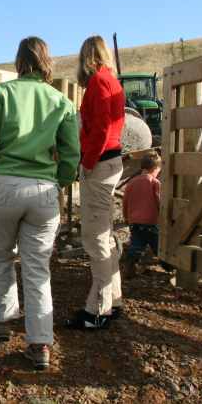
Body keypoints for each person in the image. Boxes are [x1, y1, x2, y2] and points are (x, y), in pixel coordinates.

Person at [0, 36, 80, 371]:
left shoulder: (3, 93)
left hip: (4, 183)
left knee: (1, 256)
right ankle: (40, 344)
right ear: (47, 61)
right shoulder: (60, 101)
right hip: (43, 189)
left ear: (19, 61)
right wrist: (60, 181)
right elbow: (70, 153)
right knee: (38, 269)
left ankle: (3, 323)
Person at [65, 35, 125, 331]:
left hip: (100, 164)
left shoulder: (99, 83)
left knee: (95, 237)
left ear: (87, 56)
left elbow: (100, 128)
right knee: (105, 234)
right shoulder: (110, 81)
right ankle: (113, 299)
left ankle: (97, 311)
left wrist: (87, 161)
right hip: (108, 161)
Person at [121, 152, 165, 278]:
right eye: (158, 170)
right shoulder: (155, 183)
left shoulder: (131, 183)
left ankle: (130, 266)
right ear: (155, 168)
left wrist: (126, 217)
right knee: (158, 245)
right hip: (150, 221)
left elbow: (126, 202)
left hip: (134, 222)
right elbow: (159, 201)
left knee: (137, 244)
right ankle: (169, 266)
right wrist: (163, 216)